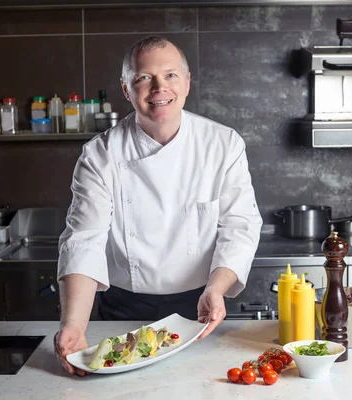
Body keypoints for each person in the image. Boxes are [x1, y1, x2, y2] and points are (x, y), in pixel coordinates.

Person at [53, 36, 262, 376]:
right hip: (123, 309)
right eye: (143, 77)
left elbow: (240, 225)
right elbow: (83, 239)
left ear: (188, 82)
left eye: (170, 75)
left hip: (200, 307)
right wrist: (74, 324)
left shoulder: (223, 143)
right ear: (126, 89)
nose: (159, 87)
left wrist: (217, 288)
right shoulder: (100, 155)